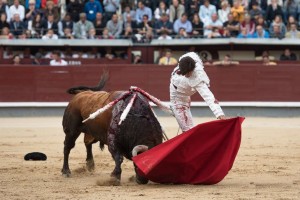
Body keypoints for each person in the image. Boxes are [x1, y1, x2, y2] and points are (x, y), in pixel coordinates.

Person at [169, 52, 226, 132]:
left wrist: (220, 114)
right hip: (176, 97)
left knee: (188, 130)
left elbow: (208, 96)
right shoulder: (189, 57)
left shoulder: (197, 77)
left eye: (188, 73)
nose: (186, 75)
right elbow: (189, 55)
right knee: (187, 130)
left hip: (184, 95)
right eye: (185, 73)